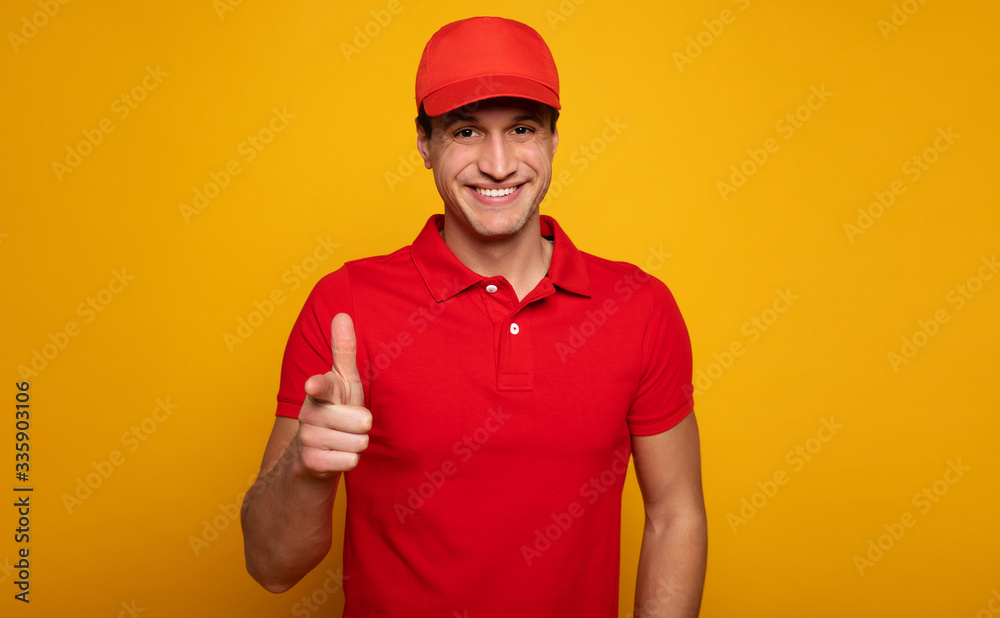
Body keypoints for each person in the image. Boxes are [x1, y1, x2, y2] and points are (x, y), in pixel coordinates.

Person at [241, 16, 707, 617]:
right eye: (465, 131)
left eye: (521, 129)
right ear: (424, 142)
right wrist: (307, 465)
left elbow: (676, 516)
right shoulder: (344, 307)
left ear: (554, 140)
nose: (498, 163)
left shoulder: (639, 306)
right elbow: (270, 567)